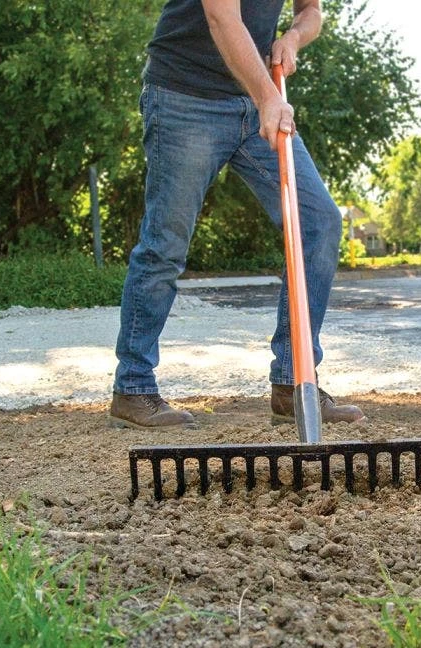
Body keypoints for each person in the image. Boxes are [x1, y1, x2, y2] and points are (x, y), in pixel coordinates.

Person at [109, 0, 365, 430]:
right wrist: (268, 97)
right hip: (184, 96)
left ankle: (294, 383)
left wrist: (293, 38)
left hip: (254, 97)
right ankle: (132, 387)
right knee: (165, 245)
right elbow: (221, 17)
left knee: (318, 221)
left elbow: (311, 10)